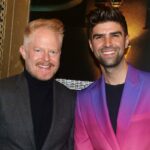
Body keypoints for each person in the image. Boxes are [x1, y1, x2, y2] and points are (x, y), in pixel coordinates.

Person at [74, 6, 150, 150]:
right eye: (99, 37)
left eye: (115, 35)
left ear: (126, 41)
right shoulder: (82, 100)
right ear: (91, 45)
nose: (107, 43)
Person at [0, 18, 76, 150]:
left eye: (53, 52)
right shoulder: (2, 92)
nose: (46, 59)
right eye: (38, 50)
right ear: (23, 52)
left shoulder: (70, 99)